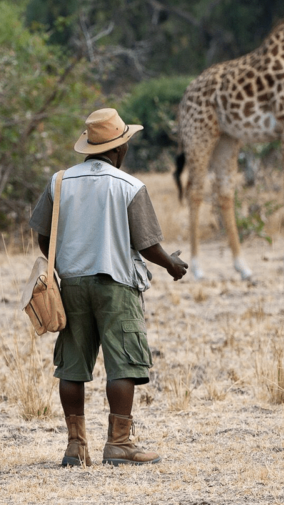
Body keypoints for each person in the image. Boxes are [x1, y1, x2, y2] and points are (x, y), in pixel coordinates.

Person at [29, 108, 188, 467]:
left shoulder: (59, 181)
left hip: (70, 285)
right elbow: (147, 244)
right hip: (116, 284)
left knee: (71, 365)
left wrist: (66, 261)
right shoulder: (130, 186)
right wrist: (171, 265)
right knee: (124, 365)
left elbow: (43, 236)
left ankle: (75, 445)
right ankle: (118, 445)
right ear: (119, 150)